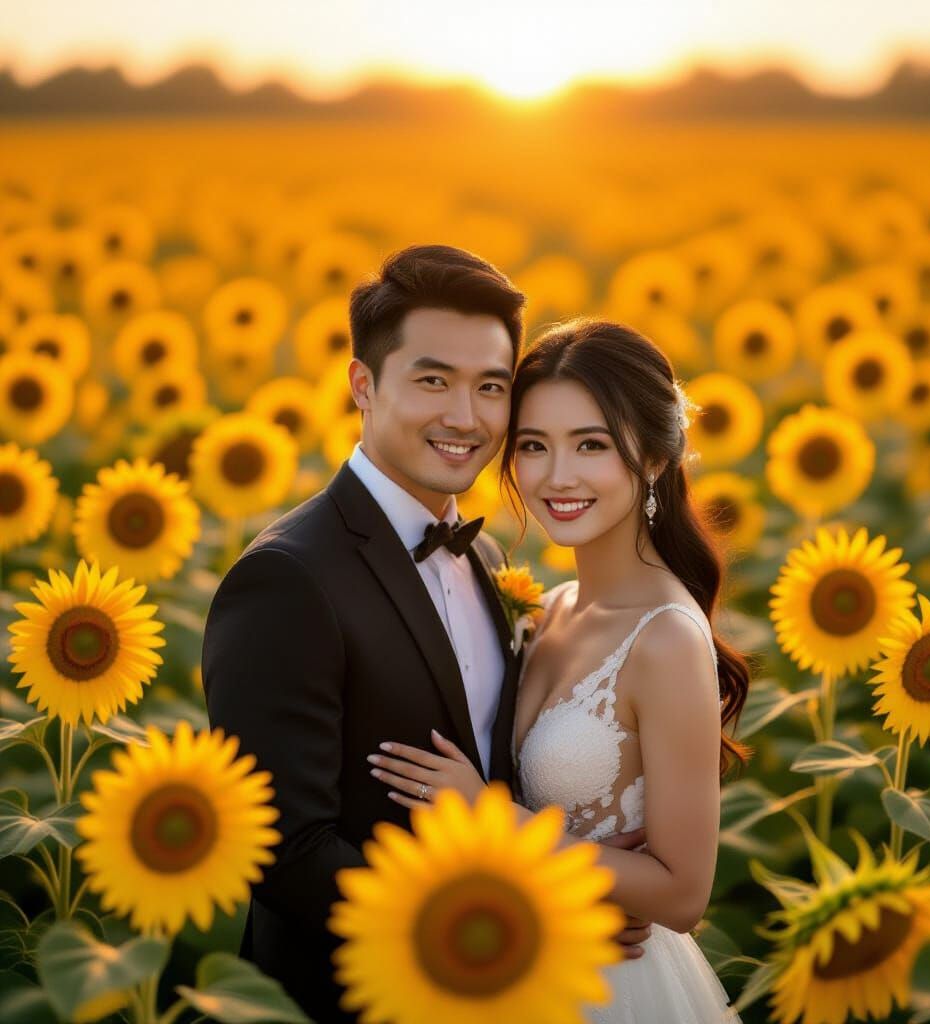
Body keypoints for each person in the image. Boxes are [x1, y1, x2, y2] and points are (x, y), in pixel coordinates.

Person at [201, 249, 651, 1023]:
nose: (466, 418)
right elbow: (285, 856)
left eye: (491, 388)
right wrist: (495, 929)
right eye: (433, 380)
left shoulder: (478, 555)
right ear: (363, 386)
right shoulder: (285, 580)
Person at [373, 318, 751, 1023]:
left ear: (656, 460)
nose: (557, 477)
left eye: (592, 445)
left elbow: (680, 894)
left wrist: (496, 818)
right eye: (534, 447)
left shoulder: (664, 638)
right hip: (519, 954)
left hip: (613, 990)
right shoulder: (549, 609)